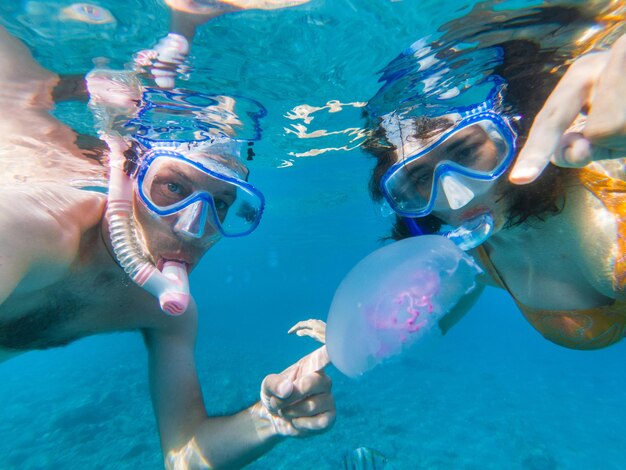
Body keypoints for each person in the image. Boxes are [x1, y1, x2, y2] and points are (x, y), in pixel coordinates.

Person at [0, 2, 334, 468]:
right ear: (124, 179)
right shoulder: (34, 230)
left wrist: (270, 421)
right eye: (174, 188)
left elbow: (184, 455)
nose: (193, 229)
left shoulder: (171, 315)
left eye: (220, 204)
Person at [363, 2, 626, 349]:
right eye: (420, 178)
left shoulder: (610, 231)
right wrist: (337, 354)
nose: (458, 196)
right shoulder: (477, 254)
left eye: (466, 151)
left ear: (512, 139)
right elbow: (449, 294)